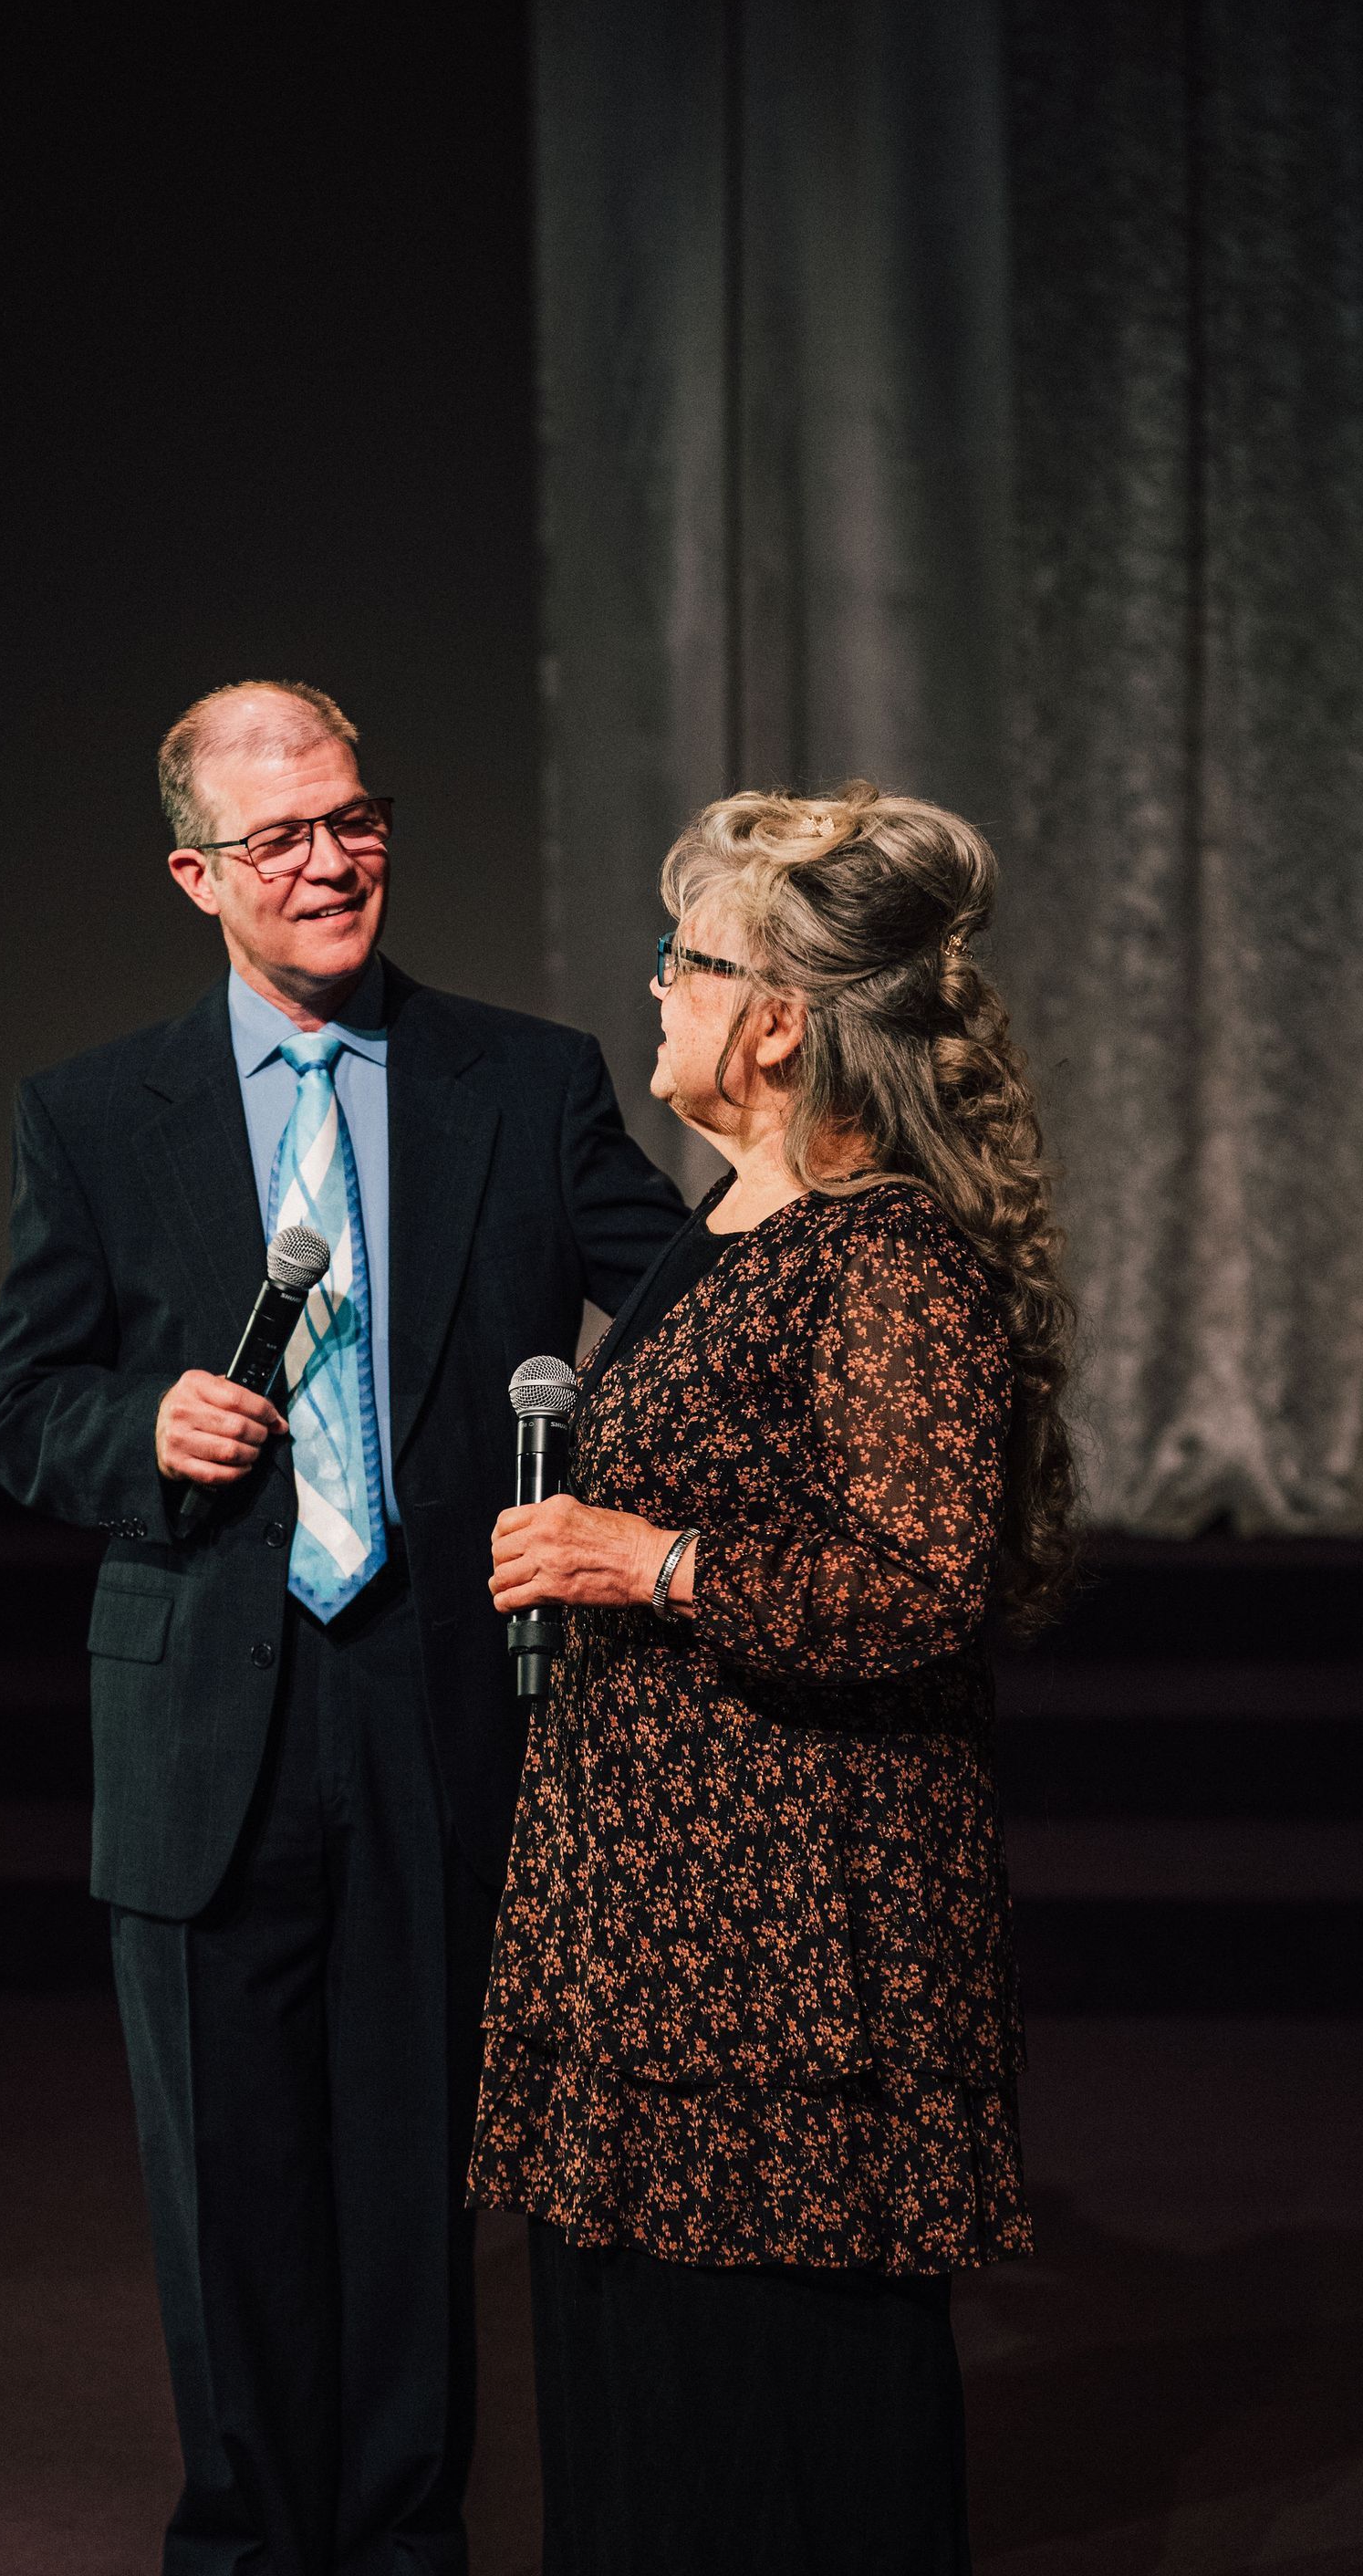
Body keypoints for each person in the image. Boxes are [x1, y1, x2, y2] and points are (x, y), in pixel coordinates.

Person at [0, 680, 685, 2576]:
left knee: (412, 2192)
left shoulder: (522, 1083)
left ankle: (402, 2545)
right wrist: (140, 1429)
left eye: (353, 820)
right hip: (211, 1710)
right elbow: (21, 1406)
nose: (329, 860)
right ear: (195, 873)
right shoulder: (96, 1113)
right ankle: (244, 2546)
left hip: (444, 1705)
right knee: (230, 2191)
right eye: (280, 837)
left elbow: (700, 1307)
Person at [472, 781, 1078, 2573]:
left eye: (685, 959)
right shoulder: (717, 1240)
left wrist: (641, 1558)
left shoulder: (888, 1257)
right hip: (650, 1924)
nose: (652, 990)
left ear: (780, 1021)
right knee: (639, 2412)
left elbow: (915, 1583)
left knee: (768, 2427)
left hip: (786, 1948)